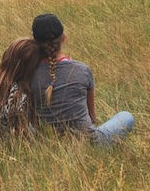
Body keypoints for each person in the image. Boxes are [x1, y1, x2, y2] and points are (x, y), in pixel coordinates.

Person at [30, 13, 134, 146]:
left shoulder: (28, 73)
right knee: (126, 116)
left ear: (33, 41)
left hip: (47, 144)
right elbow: (92, 117)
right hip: (88, 143)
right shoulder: (82, 70)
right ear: (64, 38)